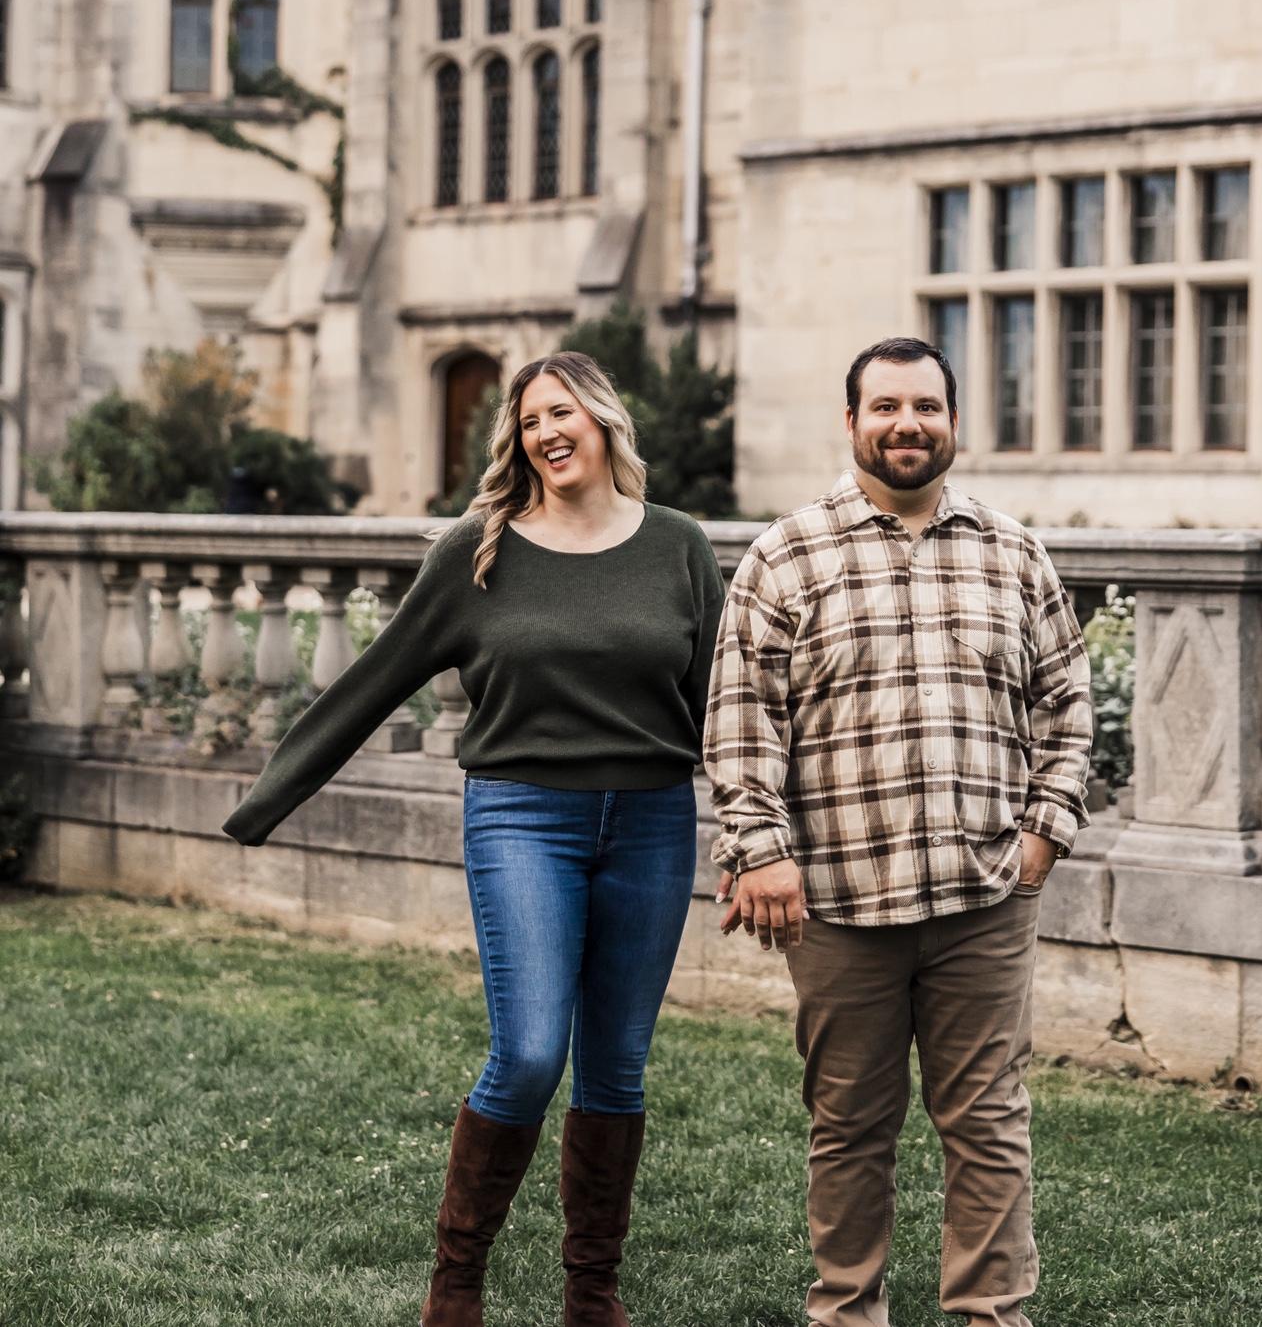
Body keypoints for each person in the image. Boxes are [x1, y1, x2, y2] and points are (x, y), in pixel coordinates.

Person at [221, 352, 726, 1327]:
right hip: (522, 816)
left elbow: (717, 706)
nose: (547, 433)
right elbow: (374, 678)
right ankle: (457, 1281)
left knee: (617, 1066)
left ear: (605, 419)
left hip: (654, 823)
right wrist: (268, 800)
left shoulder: (678, 546)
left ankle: (593, 1293)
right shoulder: (479, 551)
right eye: (530, 420)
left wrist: (765, 829)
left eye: (562, 412)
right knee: (530, 1052)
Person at [703, 336, 1093, 1327]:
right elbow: (743, 723)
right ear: (852, 422)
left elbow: (1067, 704)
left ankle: (991, 1314)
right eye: (885, 407)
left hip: (984, 897)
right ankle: (847, 1312)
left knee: (989, 1123)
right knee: (848, 1128)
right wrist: (762, 851)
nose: (906, 425)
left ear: (953, 421)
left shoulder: (1014, 553)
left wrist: (1043, 835)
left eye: (926, 406)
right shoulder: (785, 556)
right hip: (839, 905)